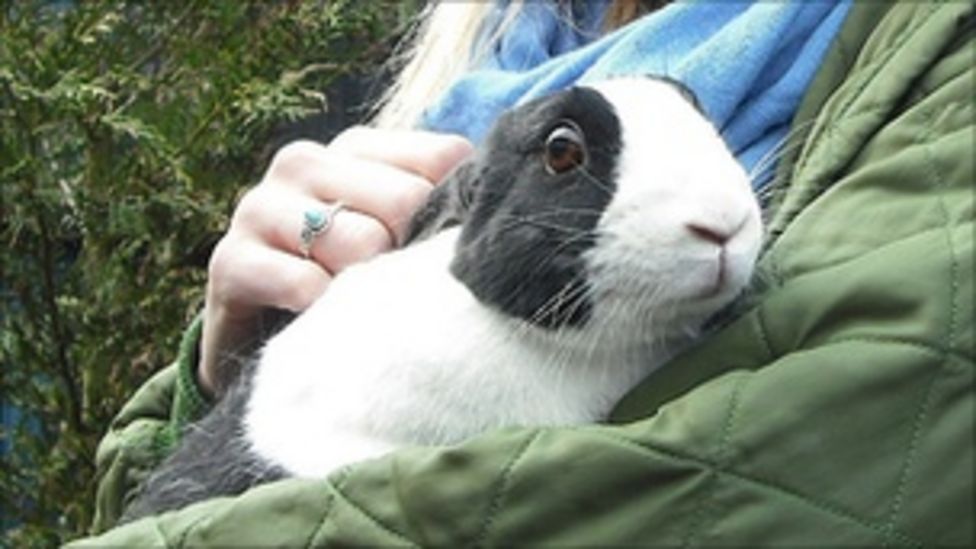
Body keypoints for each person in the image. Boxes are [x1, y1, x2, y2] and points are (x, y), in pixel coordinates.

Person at [73, 1, 973, 546]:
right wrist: (228, 373)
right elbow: (166, 497)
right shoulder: (485, 70)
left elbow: (795, 482)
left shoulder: (935, 65)